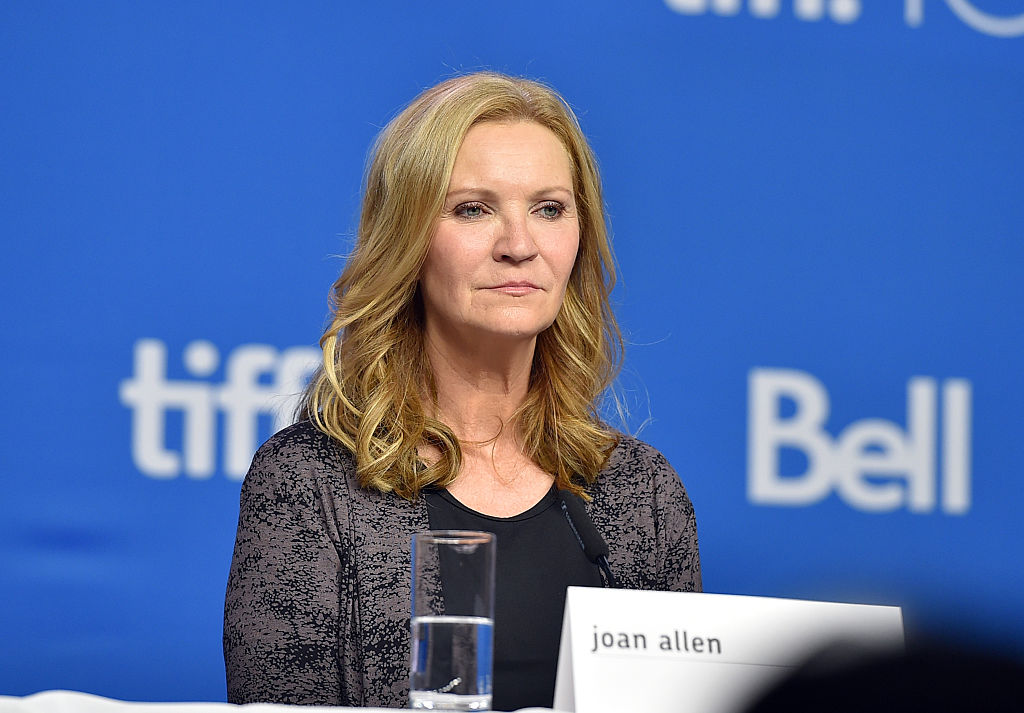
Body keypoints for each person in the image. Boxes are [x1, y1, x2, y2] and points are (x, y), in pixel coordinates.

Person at [223, 71, 701, 710]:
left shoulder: (642, 495)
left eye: (549, 208)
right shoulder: (308, 483)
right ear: (410, 240)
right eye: (473, 209)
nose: (519, 245)